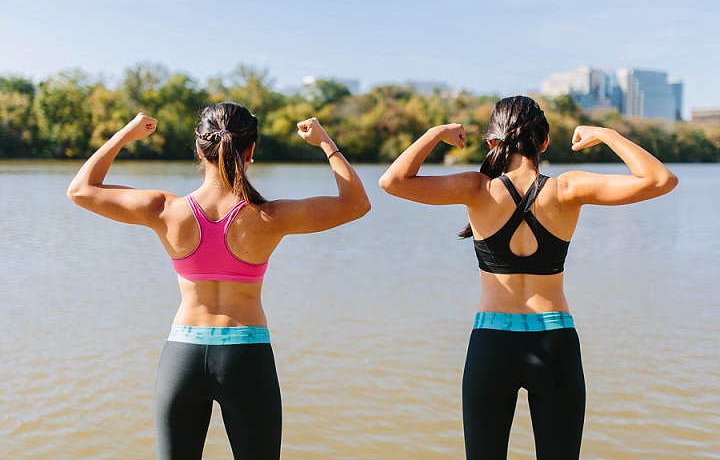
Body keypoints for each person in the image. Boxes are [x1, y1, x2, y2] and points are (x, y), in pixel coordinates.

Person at [378, 95, 677, 460]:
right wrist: (607, 134)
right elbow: (661, 179)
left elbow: (392, 181)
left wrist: (435, 133)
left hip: (491, 345)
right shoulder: (568, 189)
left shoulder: (477, 189)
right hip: (555, 343)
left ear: (492, 142)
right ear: (545, 142)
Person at [67, 102, 371, 460]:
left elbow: (81, 189)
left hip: (182, 356)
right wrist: (324, 143)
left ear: (199, 148)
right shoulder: (270, 216)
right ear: (251, 151)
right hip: (247, 357)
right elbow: (356, 203)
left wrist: (126, 134)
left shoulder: (165, 211)